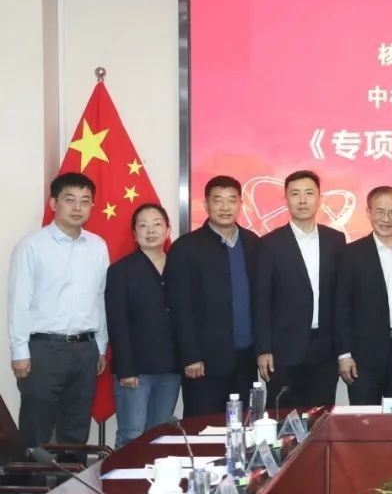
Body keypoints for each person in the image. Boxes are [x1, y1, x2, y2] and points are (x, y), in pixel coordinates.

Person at [8, 173, 108, 447]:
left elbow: (100, 298)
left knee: (76, 427)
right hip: (44, 350)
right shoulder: (32, 246)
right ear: (54, 203)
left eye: (85, 201)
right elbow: (19, 302)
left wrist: (100, 345)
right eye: (70, 200)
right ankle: (33, 477)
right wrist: (19, 351)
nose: (78, 207)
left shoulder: (98, 246)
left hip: (85, 350)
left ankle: (72, 476)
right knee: (37, 426)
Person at [166, 175, 260, 418]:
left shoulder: (254, 243)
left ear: (241, 204)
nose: (225, 207)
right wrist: (190, 355)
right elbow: (179, 307)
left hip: (246, 360)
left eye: (232, 200)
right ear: (206, 204)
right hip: (203, 363)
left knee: (244, 426)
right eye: (218, 200)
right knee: (202, 428)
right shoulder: (185, 248)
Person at [254, 171, 346, 410]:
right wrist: (263, 349)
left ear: (319, 198)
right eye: (295, 194)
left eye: (309, 193)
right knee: (283, 418)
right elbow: (261, 300)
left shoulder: (336, 240)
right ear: (286, 199)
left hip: (325, 349)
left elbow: (342, 299)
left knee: (322, 417)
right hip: (284, 350)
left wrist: (343, 350)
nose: (302, 200)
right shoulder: (269, 243)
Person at [335, 186, 392, 404]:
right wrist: (344, 354)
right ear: (368, 213)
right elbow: (341, 307)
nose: (386, 219)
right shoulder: (350, 254)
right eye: (380, 211)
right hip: (363, 355)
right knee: (364, 419)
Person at [105, 203, 179, 447]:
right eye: (143, 225)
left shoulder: (179, 266)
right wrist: (125, 369)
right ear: (134, 234)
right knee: (132, 435)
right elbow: (117, 323)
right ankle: (122, 474)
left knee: (159, 435)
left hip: (171, 368)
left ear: (168, 230)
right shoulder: (120, 271)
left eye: (157, 224)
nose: (151, 230)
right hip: (135, 369)